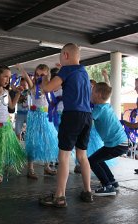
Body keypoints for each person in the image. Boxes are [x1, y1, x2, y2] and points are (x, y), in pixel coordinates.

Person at [39, 43, 93, 207]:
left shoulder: (67, 70)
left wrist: (44, 76)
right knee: (82, 156)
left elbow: (47, 89)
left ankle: (59, 196)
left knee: (63, 156)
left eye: (61, 56)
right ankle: (87, 191)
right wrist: (62, 68)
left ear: (66, 55)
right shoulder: (83, 71)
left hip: (72, 115)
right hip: (86, 116)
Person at [17, 63, 58, 179]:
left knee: (48, 141)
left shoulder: (49, 86)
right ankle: (30, 169)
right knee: (33, 141)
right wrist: (21, 69)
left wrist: (61, 68)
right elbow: (26, 77)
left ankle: (47, 167)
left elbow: (59, 79)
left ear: (47, 75)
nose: (39, 77)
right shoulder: (33, 86)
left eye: (42, 75)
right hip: (35, 117)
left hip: (45, 116)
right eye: (37, 74)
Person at [89, 82, 128, 196]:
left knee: (92, 161)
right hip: (120, 142)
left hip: (116, 144)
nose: (90, 95)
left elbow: (87, 120)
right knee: (97, 159)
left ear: (98, 95)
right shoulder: (106, 106)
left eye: (92, 92)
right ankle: (112, 182)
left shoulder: (99, 109)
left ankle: (107, 186)